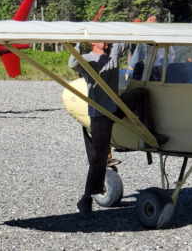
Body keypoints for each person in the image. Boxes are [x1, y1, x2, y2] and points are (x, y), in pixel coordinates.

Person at [68, 15, 169, 219]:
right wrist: (79, 39)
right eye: (100, 37)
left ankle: (150, 133)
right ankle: (86, 198)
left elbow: (129, 37)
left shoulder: (112, 51)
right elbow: (72, 62)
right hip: (100, 115)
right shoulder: (86, 61)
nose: (106, 40)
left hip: (115, 107)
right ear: (92, 42)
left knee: (141, 93)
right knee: (99, 158)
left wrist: (143, 27)